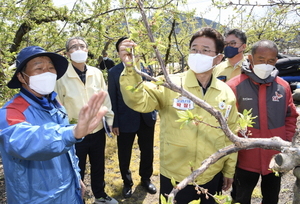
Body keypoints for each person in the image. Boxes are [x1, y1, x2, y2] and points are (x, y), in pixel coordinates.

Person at [118, 28, 239, 204]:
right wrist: (130, 68)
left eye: (205, 50)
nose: (198, 54)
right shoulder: (170, 84)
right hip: (175, 175)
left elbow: (231, 133)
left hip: (211, 174)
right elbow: (138, 100)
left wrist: (228, 170)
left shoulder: (226, 93)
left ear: (218, 58)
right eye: (194, 49)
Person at [0, 45, 108, 204]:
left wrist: (77, 179)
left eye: (51, 68)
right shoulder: (11, 111)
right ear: (22, 77)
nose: (47, 72)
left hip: (69, 193)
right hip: (36, 200)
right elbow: (24, 140)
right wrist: (72, 133)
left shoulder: (55, 104)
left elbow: (69, 153)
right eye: (39, 68)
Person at [226, 40, 298, 204]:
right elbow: (227, 123)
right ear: (250, 59)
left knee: (272, 197)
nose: (266, 64)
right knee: (240, 198)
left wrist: (286, 145)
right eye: (261, 59)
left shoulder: (283, 86)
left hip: (274, 157)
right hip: (245, 158)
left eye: (271, 61)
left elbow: (290, 116)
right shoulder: (234, 86)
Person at [55, 37, 118, 204]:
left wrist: (109, 120)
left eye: (82, 46)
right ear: (68, 53)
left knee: (98, 165)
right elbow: (58, 105)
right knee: (77, 168)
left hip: (97, 129)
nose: (78, 49)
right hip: (74, 132)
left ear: (87, 50)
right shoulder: (61, 77)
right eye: (74, 47)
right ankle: (77, 198)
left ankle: (100, 195)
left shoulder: (96, 73)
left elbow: (105, 98)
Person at [107, 37, 157, 199]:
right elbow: (112, 98)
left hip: (146, 118)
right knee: (124, 153)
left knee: (147, 151)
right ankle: (127, 182)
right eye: (124, 48)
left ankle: (146, 179)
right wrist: (114, 122)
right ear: (118, 53)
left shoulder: (145, 68)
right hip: (125, 119)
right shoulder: (114, 72)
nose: (128, 51)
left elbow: (153, 91)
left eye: (131, 47)